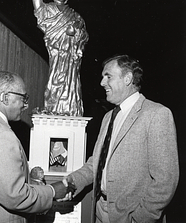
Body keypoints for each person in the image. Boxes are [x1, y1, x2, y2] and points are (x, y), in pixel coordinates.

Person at [64, 54, 179, 223]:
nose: (102, 83)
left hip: (130, 217)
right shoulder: (108, 117)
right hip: (99, 211)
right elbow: (96, 163)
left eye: (108, 76)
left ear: (127, 79)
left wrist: (138, 219)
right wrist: (69, 183)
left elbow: (165, 180)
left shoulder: (157, 114)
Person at [0, 71, 75, 223]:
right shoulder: (1, 135)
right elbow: (15, 197)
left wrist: (32, 180)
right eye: (23, 98)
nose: (25, 105)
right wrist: (52, 191)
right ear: (5, 97)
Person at [32, 0, 89, 116]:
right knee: (54, 83)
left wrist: (76, 34)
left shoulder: (76, 16)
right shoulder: (47, 10)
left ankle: (70, 109)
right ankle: (52, 108)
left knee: (72, 85)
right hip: (56, 57)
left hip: (71, 61)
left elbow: (84, 36)